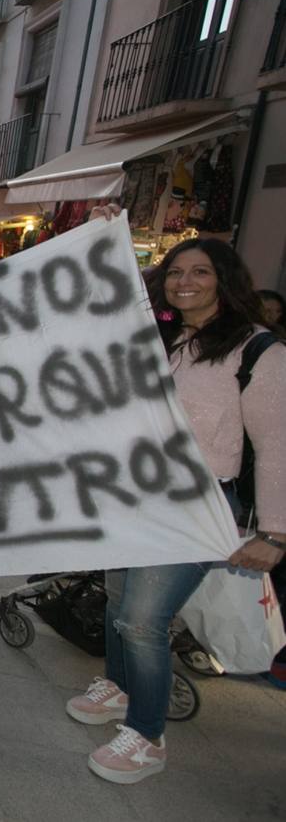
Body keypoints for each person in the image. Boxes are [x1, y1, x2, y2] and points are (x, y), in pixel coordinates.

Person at [64, 231, 284, 785]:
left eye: (201, 272)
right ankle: (119, 686)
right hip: (139, 494)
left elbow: (279, 446)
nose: (185, 282)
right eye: (177, 273)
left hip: (199, 503)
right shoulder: (177, 342)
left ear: (226, 281)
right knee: (118, 600)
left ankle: (147, 735)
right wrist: (103, 235)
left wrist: (276, 533)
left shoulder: (261, 351)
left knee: (143, 619)